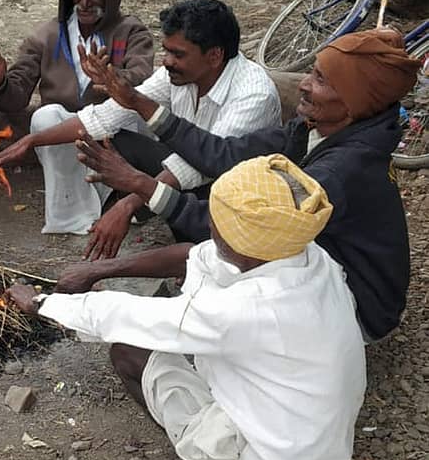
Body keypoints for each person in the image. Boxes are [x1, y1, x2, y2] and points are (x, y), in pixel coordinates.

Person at [8, 154, 366, 460]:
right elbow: (196, 255)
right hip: (318, 449)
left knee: (128, 353)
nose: (209, 224)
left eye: (218, 221)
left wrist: (40, 303)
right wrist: (97, 270)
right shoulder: (304, 256)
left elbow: (129, 315)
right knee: (140, 351)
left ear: (239, 239)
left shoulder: (248, 309)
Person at [71, 27, 419, 342]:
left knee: (225, 256)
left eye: (321, 80)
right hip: (326, 271)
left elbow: (231, 229)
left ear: (354, 102)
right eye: (312, 72)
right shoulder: (315, 129)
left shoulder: (341, 171)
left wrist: (138, 185)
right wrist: (136, 102)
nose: (304, 84)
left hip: (359, 312)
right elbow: (221, 154)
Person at [0, 0, 281, 248]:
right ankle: (147, 210)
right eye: (166, 51)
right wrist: (31, 141)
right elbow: (105, 116)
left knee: (191, 193)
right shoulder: (178, 74)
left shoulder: (253, 95)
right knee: (114, 138)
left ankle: (191, 245)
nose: (166, 61)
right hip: (192, 170)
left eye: (177, 54)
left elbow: (202, 164)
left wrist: (128, 203)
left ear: (215, 56)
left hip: (235, 196)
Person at [0, 0, 154, 233]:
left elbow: (143, 79)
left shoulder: (130, 31)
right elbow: (15, 97)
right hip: (67, 139)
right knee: (44, 116)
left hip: (114, 132)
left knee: (129, 113)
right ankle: (71, 217)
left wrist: (111, 80)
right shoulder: (47, 35)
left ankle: (115, 197)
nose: (86, 2)